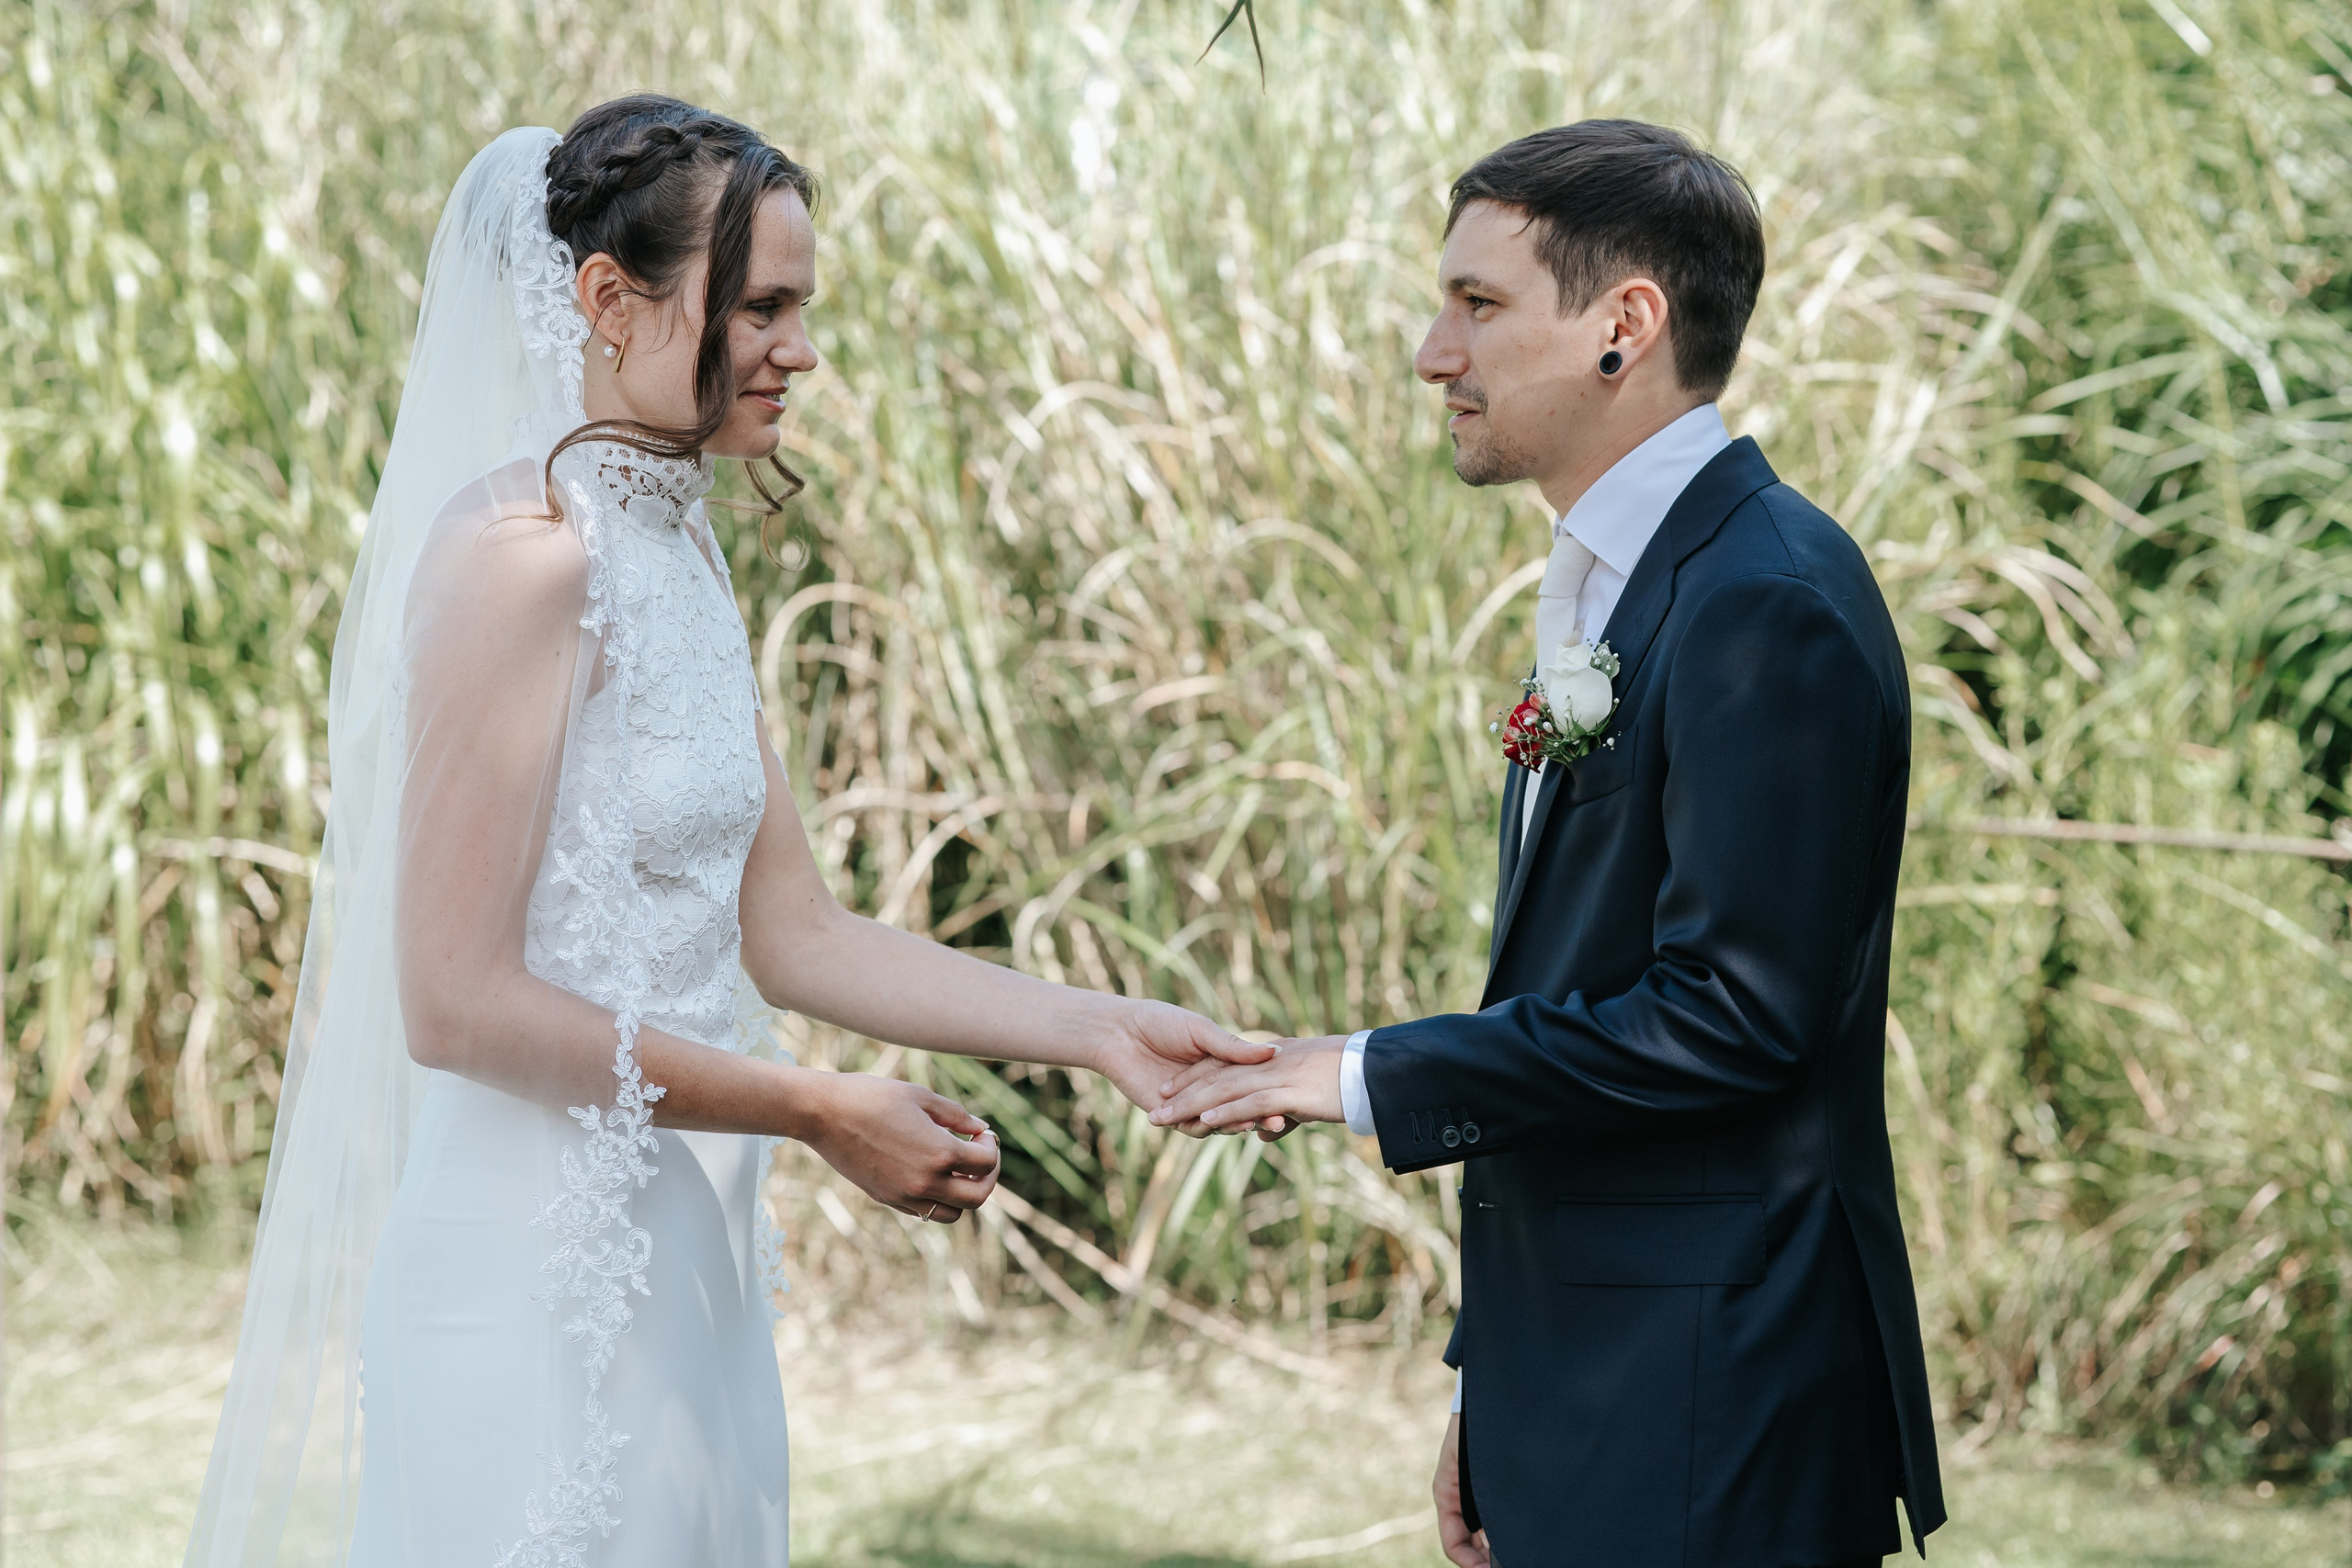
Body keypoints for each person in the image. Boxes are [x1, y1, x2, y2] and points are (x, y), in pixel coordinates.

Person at [183, 96, 1270, 1568]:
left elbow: (794, 930)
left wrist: (1101, 1028)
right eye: (761, 306)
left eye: (800, 308)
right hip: (526, 1265)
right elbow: (452, 1001)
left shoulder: (674, 542)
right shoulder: (521, 560)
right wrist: (814, 1109)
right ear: (609, 299)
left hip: (684, 1245)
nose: (800, 350)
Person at [1154, 121, 1947, 1567]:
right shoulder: (1619, 578)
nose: (1430, 352)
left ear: (1624, 326)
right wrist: (1498, 1380)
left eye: (1478, 304)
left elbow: (1733, 1017)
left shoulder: (1764, 599)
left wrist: (1361, 1074)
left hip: (1718, 1403)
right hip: (1599, 1367)